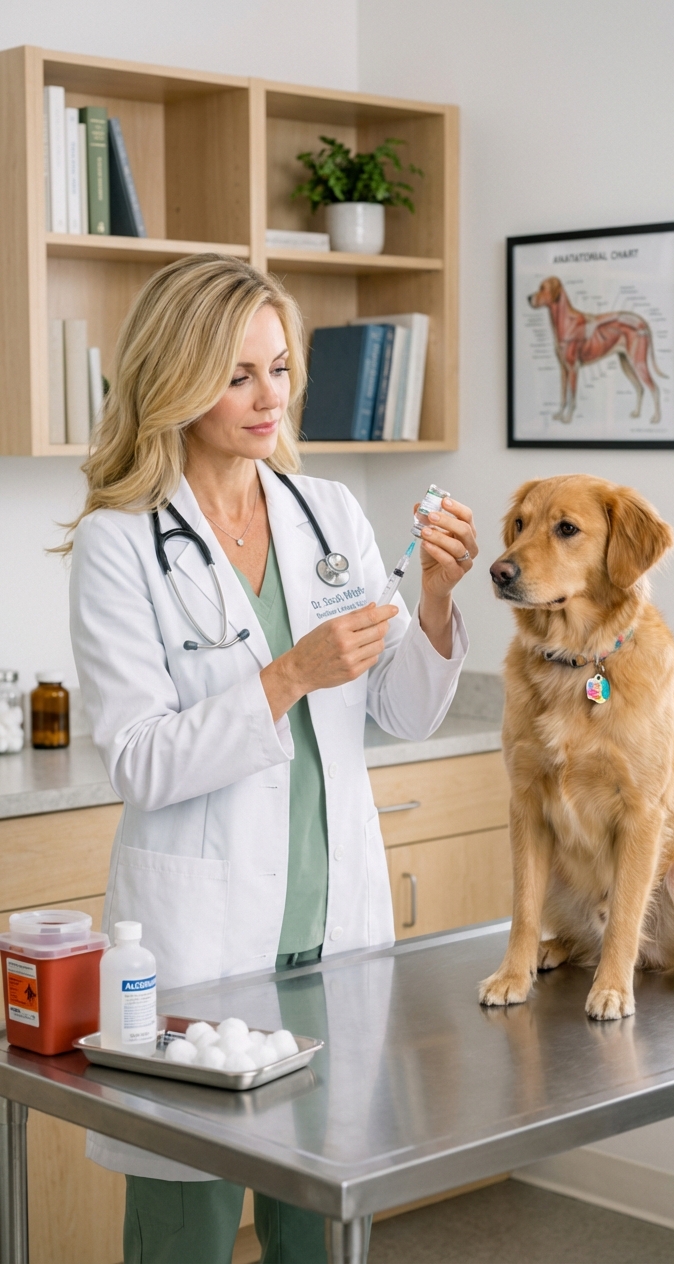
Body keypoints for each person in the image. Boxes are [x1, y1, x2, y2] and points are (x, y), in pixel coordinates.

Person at [66, 254, 477, 1264]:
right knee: (185, 1225)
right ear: (174, 373)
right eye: (237, 372)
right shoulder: (120, 542)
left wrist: (428, 600)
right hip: (203, 948)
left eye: (279, 369)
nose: (267, 397)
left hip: (330, 933)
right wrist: (286, 673)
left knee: (326, 1218)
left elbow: (398, 708)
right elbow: (141, 758)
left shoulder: (325, 511)